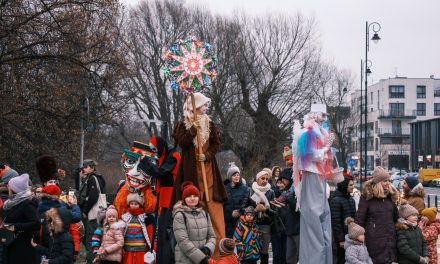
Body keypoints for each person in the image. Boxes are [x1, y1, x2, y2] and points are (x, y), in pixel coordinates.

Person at [171, 92, 228, 258]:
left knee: (214, 211)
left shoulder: (210, 123)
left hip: (208, 171)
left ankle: (219, 255)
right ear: (195, 106)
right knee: (195, 211)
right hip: (190, 172)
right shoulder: (183, 124)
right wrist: (193, 130)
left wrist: (208, 155)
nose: (206, 108)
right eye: (204, 105)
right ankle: (196, 255)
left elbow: (217, 143)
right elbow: (182, 143)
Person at [293, 104, 335, 264]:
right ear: (314, 114)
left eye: (325, 115)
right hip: (312, 175)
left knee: (322, 216)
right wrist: (325, 148)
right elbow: (310, 155)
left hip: (319, 177)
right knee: (314, 215)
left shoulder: (320, 131)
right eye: (322, 115)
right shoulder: (308, 132)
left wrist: (326, 149)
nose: (324, 118)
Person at [138, 136, 181, 264]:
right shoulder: (165, 157)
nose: (155, 152)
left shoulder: (173, 156)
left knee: (167, 235)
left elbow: (161, 172)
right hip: (164, 201)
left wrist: (146, 162)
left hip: (170, 201)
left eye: (155, 149)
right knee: (162, 234)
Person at [355, 166, 399, 264]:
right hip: (374, 240)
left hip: (390, 239)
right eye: (385, 181)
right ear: (378, 182)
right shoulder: (367, 198)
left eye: (388, 180)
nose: (388, 183)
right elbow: (359, 220)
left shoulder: (390, 197)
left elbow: (396, 217)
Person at [0, 173, 40, 264]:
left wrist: (15, 226)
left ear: (15, 190)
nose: (8, 188)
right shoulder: (12, 202)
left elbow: (36, 223)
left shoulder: (27, 203)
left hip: (22, 247)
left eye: (9, 187)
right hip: (11, 243)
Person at [173, 181, 216, 264]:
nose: (192, 198)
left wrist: (207, 249)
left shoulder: (205, 214)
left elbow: (212, 236)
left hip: (204, 258)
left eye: (195, 196)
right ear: (184, 199)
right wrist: (200, 258)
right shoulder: (180, 215)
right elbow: (183, 241)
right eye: (189, 196)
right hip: (185, 259)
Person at [241, 170, 275, 264]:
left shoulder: (271, 192)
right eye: (262, 178)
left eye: (267, 179)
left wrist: (265, 210)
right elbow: (242, 208)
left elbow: (275, 212)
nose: (265, 180)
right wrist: (254, 210)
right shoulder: (250, 190)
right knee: (252, 251)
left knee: (264, 251)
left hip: (265, 225)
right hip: (252, 224)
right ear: (257, 179)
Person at [77, 159, 106, 264]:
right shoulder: (98, 178)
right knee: (96, 240)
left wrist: (85, 210)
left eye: (86, 167)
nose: (84, 169)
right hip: (98, 215)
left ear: (92, 168)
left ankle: (91, 261)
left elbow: (93, 196)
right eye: (83, 167)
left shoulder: (92, 179)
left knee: (91, 241)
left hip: (93, 214)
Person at [121, 193, 154, 264]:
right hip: (128, 248)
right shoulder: (125, 217)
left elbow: (149, 233)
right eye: (132, 203)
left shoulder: (144, 217)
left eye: (136, 204)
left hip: (141, 248)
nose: (133, 205)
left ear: (140, 205)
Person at [330, 176, 356, 264]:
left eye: (353, 184)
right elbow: (336, 222)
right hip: (342, 239)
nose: (353, 187)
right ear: (345, 186)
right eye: (351, 185)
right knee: (341, 259)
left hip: (351, 236)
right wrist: (341, 239)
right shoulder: (336, 200)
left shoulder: (351, 199)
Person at [223, 162, 250, 238]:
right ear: (230, 176)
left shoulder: (245, 189)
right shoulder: (224, 189)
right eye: (234, 175)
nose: (237, 176)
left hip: (240, 221)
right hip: (227, 221)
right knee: (229, 244)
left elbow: (246, 204)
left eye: (238, 175)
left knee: (240, 244)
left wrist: (239, 211)